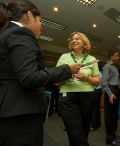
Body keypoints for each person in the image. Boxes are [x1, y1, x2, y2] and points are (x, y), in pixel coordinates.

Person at [0, 1, 82, 146]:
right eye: (40, 21)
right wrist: (67, 70)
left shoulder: (7, 33)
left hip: (11, 111)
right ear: (29, 15)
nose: (41, 26)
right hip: (21, 113)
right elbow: (29, 77)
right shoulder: (21, 33)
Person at [56, 32, 100, 146]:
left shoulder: (92, 59)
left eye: (77, 39)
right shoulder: (64, 57)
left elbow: (97, 82)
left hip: (87, 96)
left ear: (85, 43)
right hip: (68, 96)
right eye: (72, 39)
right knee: (74, 130)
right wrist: (68, 73)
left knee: (84, 129)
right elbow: (56, 78)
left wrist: (87, 77)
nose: (74, 40)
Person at [102, 50, 120, 146]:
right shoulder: (107, 66)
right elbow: (104, 83)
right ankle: (109, 139)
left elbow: (115, 80)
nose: (118, 57)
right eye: (116, 55)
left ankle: (113, 134)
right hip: (111, 91)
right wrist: (110, 94)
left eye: (118, 56)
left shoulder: (114, 67)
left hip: (116, 90)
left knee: (114, 115)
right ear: (111, 56)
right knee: (109, 116)